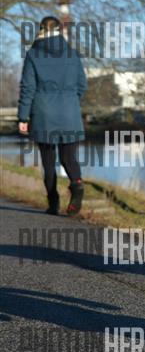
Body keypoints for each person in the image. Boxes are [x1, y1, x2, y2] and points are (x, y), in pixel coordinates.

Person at [18, 16, 87, 215]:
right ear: (59, 30)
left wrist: (23, 117)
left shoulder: (33, 54)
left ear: (41, 30)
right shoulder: (73, 53)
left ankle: (53, 203)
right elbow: (82, 85)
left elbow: (28, 88)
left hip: (44, 114)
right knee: (69, 158)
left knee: (48, 162)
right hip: (70, 112)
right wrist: (70, 101)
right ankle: (77, 185)